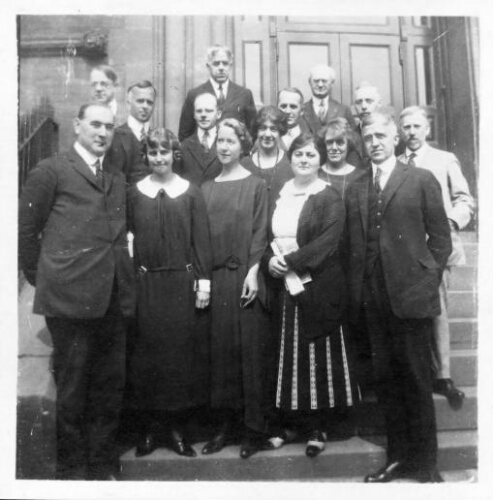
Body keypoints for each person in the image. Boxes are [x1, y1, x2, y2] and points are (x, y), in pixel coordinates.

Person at [18, 103, 136, 480]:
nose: (102, 132)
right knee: (72, 391)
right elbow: (25, 233)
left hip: (113, 299)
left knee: (108, 388)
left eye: (109, 127)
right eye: (95, 124)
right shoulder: (50, 170)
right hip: (69, 301)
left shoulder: (116, 177)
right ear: (77, 125)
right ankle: (73, 471)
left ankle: (103, 466)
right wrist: (48, 280)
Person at [344, 112, 452, 483]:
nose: (373, 141)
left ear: (395, 139)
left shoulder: (420, 179)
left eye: (380, 135)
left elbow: (441, 240)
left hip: (411, 296)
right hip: (372, 298)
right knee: (387, 381)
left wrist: (425, 283)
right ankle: (398, 458)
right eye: (368, 136)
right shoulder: (356, 186)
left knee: (416, 380)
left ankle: (426, 465)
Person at [261, 132, 354, 458]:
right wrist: (268, 261)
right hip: (284, 288)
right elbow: (266, 235)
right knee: (288, 356)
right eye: (298, 154)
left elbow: (327, 244)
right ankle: (290, 425)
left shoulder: (328, 197)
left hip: (317, 286)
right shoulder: (281, 193)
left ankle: (317, 427)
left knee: (315, 357)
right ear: (290, 158)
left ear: (320, 160)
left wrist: (288, 262)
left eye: (311, 155)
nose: (303, 160)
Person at [127, 128, 212, 458]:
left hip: (181, 284)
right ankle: (149, 431)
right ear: (145, 156)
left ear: (174, 154)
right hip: (147, 284)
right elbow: (128, 239)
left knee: (178, 360)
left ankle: (176, 431)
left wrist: (203, 284)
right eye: (152, 152)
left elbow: (201, 241)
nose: (158, 158)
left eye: (164, 152)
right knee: (147, 357)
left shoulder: (190, 192)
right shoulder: (134, 193)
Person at [201, 118, 269, 459]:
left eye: (231, 141)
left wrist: (253, 271)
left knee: (249, 354)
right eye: (220, 141)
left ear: (244, 145)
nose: (224, 147)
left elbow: (260, 232)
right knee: (221, 356)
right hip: (216, 281)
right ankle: (224, 428)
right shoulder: (207, 187)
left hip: (246, 278)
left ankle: (253, 431)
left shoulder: (256, 185)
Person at [398, 105, 474, 409]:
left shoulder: (443, 160)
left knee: (437, 307)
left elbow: (464, 199)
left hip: (436, 245)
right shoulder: (396, 162)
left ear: (427, 129)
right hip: (406, 248)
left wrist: (450, 223)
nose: (412, 133)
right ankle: (418, 372)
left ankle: (443, 375)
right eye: (407, 128)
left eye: (417, 127)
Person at [178, 45, 257, 141]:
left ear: (230, 66)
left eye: (225, 63)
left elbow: (253, 131)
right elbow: (184, 134)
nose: (221, 68)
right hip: (204, 154)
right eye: (216, 63)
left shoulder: (245, 94)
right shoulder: (194, 94)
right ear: (208, 66)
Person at [241, 105, 293, 209]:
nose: (267, 134)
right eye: (263, 128)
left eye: (273, 129)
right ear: (256, 131)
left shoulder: (291, 162)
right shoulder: (244, 164)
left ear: (280, 132)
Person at [109, 80, 157, 185]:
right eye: (140, 101)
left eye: (149, 102)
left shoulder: (158, 137)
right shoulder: (115, 136)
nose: (145, 106)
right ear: (128, 103)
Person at [176, 92, 223, 186]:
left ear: (218, 114)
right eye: (199, 111)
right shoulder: (184, 146)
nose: (203, 115)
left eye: (209, 111)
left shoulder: (226, 143)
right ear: (194, 114)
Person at [303, 64, 356, 136]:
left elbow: (353, 138)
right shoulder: (301, 110)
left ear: (332, 82)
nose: (320, 85)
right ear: (309, 82)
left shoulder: (343, 110)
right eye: (316, 81)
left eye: (324, 81)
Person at [318, 117, 361, 198]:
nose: (334, 148)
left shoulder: (360, 176)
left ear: (348, 144)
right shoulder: (315, 174)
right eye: (330, 142)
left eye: (340, 142)